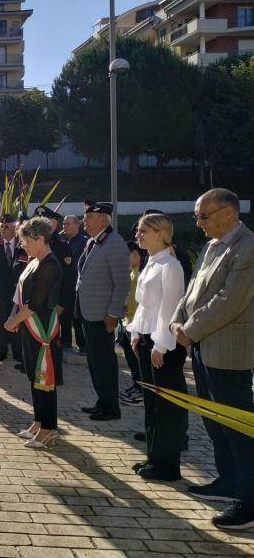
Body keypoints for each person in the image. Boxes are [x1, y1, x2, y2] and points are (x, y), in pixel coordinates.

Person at [171, 188, 254, 530]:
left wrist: (190, 330)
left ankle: (248, 501)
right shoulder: (211, 245)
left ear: (230, 212)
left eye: (204, 215)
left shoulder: (247, 247)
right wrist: (178, 319)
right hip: (204, 346)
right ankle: (228, 481)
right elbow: (192, 291)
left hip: (229, 350)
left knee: (237, 425)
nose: (199, 223)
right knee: (214, 420)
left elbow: (229, 300)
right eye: (197, 216)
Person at [126, 212, 187, 482]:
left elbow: (170, 308)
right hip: (147, 338)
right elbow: (145, 305)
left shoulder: (170, 265)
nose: (138, 235)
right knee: (151, 404)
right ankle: (154, 457)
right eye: (138, 231)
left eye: (143, 231)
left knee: (167, 408)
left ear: (161, 233)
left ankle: (168, 466)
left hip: (164, 344)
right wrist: (136, 332)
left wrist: (161, 344)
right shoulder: (151, 262)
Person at [4, 217, 62, 449]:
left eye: (26, 240)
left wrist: (13, 321)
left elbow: (35, 303)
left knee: (44, 378)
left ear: (40, 238)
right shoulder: (35, 260)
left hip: (42, 328)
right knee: (34, 376)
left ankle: (48, 429)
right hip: (30, 325)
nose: (23, 245)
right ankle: (38, 422)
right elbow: (21, 295)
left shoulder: (49, 264)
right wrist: (13, 316)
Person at [76, 201, 130, 421]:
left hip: (102, 315)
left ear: (102, 219)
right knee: (95, 362)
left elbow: (122, 283)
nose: (84, 221)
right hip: (89, 311)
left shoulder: (114, 243)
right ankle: (102, 401)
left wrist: (113, 313)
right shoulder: (94, 242)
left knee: (105, 362)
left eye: (88, 218)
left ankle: (111, 408)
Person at [34, 205, 74, 381]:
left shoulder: (62, 246)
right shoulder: (34, 244)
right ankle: (37, 373)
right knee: (37, 342)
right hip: (36, 304)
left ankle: (52, 376)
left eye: (46, 222)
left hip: (54, 304)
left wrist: (62, 304)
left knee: (52, 343)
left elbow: (68, 279)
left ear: (55, 224)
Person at [0, 214, 25, 364]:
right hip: (0, 294)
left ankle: (17, 352)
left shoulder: (23, 245)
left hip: (17, 292)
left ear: (14, 227)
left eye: (6, 226)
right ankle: (1, 351)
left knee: (16, 321)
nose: (3, 229)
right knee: (1, 322)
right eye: (1, 226)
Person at [118, 241, 145, 407]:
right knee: (130, 357)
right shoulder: (131, 271)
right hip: (127, 320)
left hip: (137, 322)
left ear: (136, 254)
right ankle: (137, 384)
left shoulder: (141, 272)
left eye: (127, 255)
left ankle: (143, 389)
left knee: (138, 358)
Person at [62, 214, 89, 352]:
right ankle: (66, 343)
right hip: (64, 287)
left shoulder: (85, 242)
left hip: (78, 287)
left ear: (76, 225)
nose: (64, 226)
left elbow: (84, 263)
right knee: (64, 317)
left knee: (78, 318)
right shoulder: (62, 242)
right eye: (63, 224)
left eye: (67, 224)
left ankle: (82, 345)